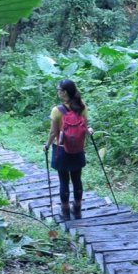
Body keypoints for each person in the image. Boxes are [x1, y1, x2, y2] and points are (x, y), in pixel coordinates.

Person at [43, 78, 92, 220]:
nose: (57, 92)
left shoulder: (56, 111)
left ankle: (65, 212)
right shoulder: (81, 106)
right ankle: (77, 210)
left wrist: (47, 145)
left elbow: (53, 133)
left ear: (64, 92)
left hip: (62, 149)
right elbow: (85, 127)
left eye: (59, 90)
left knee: (63, 180)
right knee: (77, 180)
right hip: (78, 149)